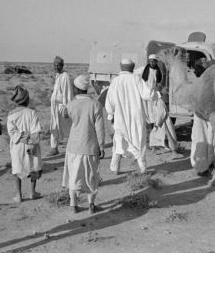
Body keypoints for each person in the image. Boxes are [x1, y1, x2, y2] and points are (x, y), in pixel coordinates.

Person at [105, 58, 158, 174]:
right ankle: (143, 169)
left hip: (120, 117)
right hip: (136, 118)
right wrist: (156, 93)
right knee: (139, 141)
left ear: (120, 66)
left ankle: (114, 168)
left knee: (119, 142)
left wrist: (110, 115)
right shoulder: (137, 79)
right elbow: (147, 95)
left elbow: (110, 102)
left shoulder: (115, 81)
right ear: (133, 66)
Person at [62, 75, 105, 214]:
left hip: (73, 147)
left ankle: (73, 205)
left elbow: (64, 115)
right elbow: (100, 129)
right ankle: (91, 205)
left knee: (73, 177)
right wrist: (102, 146)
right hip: (90, 147)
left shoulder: (71, 105)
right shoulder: (96, 105)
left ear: (75, 88)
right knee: (91, 177)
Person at [7, 85, 42, 202]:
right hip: (31, 144)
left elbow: (12, 132)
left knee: (17, 169)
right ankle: (33, 192)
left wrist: (20, 137)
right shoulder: (32, 113)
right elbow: (35, 131)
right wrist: (29, 138)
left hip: (17, 146)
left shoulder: (11, 115)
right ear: (27, 100)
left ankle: (19, 195)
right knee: (33, 167)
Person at [142, 54, 179, 156]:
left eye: (154, 61)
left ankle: (159, 144)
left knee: (159, 120)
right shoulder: (143, 70)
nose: (152, 63)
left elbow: (159, 84)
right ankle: (151, 144)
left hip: (156, 97)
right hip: (146, 98)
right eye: (151, 61)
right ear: (149, 61)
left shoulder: (159, 71)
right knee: (148, 120)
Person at [47, 55, 74, 156]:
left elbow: (67, 94)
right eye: (55, 65)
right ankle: (54, 148)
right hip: (55, 108)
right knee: (54, 126)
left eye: (58, 65)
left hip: (62, 107)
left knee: (68, 127)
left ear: (62, 66)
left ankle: (72, 146)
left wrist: (67, 108)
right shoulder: (58, 76)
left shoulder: (65, 77)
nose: (56, 67)